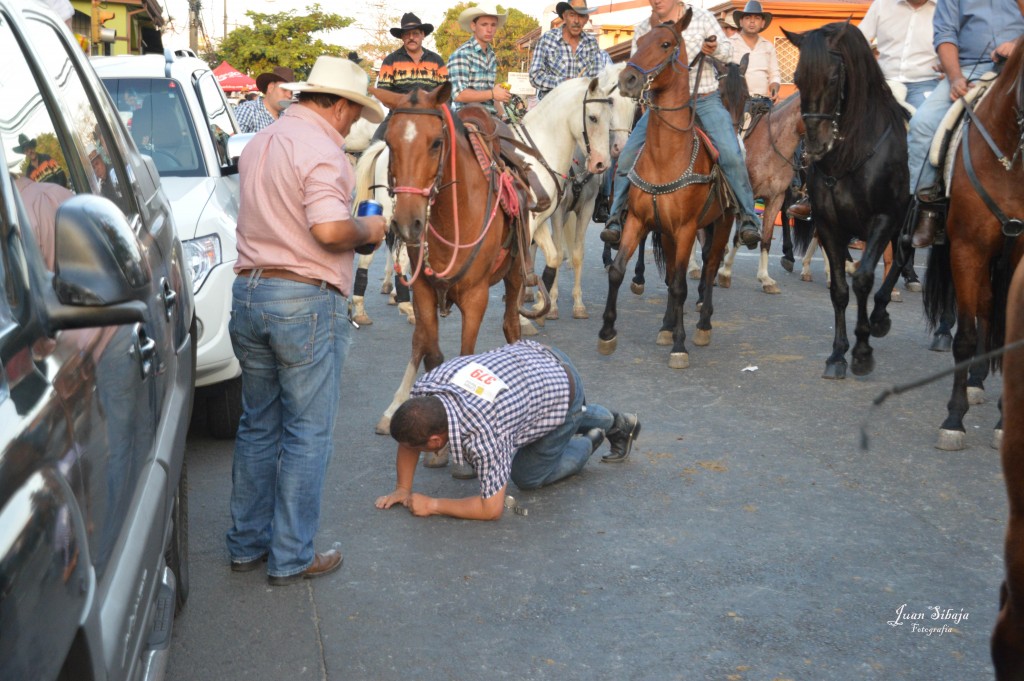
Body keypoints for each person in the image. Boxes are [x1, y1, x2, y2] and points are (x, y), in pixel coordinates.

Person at [226, 56, 386, 585]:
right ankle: (292, 554)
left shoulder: (261, 142)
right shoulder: (322, 148)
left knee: (256, 427)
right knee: (307, 433)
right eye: (353, 113)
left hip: (249, 291)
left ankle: (247, 544)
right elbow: (330, 232)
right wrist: (370, 230)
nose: (353, 123)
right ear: (337, 105)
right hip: (303, 297)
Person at [375, 340, 641, 521]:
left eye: (420, 448)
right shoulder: (428, 389)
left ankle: (592, 438)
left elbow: (491, 508)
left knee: (526, 476)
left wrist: (433, 505)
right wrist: (402, 488)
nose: (414, 451)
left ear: (435, 440)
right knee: (550, 416)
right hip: (538, 360)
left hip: (562, 388)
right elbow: (410, 434)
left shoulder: (484, 433)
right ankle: (608, 419)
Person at [600, 0, 761, 250]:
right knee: (627, 154)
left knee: (732, 152)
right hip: (663, 106)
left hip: (704, 99)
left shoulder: (703, 18)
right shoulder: (644, 27)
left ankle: (748, 217)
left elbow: (729, 53)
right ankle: (616, 218)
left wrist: (715, 48)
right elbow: (640, 65)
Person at [907, 0, 1024, 248]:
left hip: (1019, 67)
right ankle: (928, 208)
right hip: (969, 68)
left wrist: (1017, 44)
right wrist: (955, 76)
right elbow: (945, 35)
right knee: (922, 124)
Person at [529, 1, 611, 101]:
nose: (576, 21)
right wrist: (566, 83)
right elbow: (535, 76)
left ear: (586, 19)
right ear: (564, 16)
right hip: (551, 108)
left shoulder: (591, 43)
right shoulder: (548, 39)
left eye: (581, 16)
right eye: (572, 15)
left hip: (580, 109)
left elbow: (597, 78)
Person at [447, 2, 510, 115]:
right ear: (473, 26)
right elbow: (458, 94)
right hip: (467, 117)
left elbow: (490, 97)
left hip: (489, 116)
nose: (489, 29)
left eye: (493, 25)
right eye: (484, 24)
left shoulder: (491, 55)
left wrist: (504, 115)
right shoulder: (462, 54)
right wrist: (493, 93)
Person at [376, 13, 449, 94]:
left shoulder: (436, 60)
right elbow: (383, 93)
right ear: (402, 37)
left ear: (423, 35)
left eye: (415, 33)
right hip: (400, 106)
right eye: (407, 34)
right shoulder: (390, 61)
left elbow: (445, 92)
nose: (411, 37)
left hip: (431, 106)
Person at [729, 1, 780, 107]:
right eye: (747, 18)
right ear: (741, 22)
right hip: (735, 103)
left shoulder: (768, 46)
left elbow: (774, 75)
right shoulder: (729, 44)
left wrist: (774, 91)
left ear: (762, 23)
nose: (752, 22)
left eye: (757, 18)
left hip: (763, 102)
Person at [232, 65, 295, 133]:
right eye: (284, 89)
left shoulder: (286, 118)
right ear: (271, 87)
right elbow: (234, 141)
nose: (289, 95)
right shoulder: (248, 110)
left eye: (291, 92)